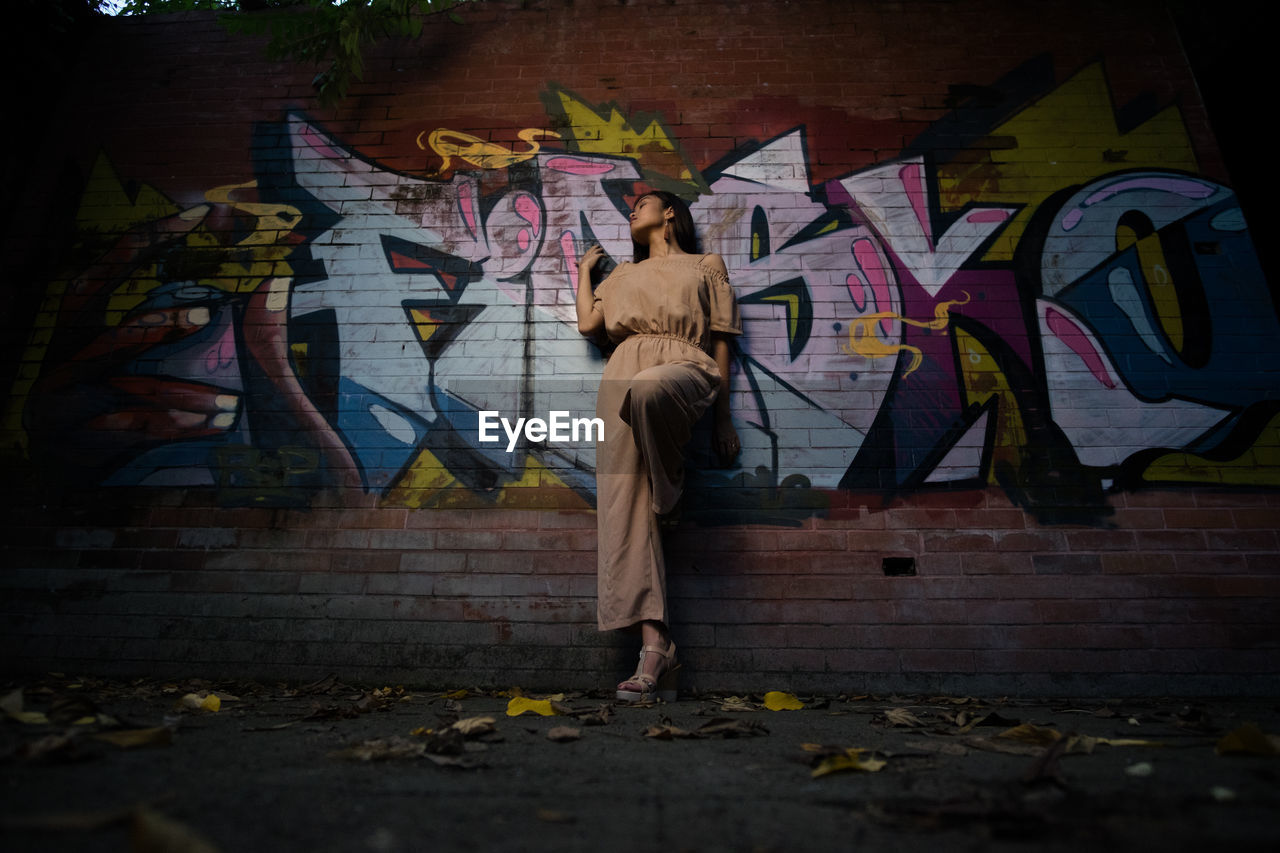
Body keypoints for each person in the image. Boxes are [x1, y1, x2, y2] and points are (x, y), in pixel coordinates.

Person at [575, 190, 741, 702]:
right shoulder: (620, 275)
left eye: (642, 202)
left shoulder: (705, 264)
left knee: (648, 390)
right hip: (619, 372)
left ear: (669, 213)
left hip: (684, 364)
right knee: (622, 512)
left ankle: (667, 495)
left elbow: (721, 339)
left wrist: (722, 418)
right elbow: (589, 325)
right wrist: (584, 272)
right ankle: (655, 648)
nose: (632, 210)